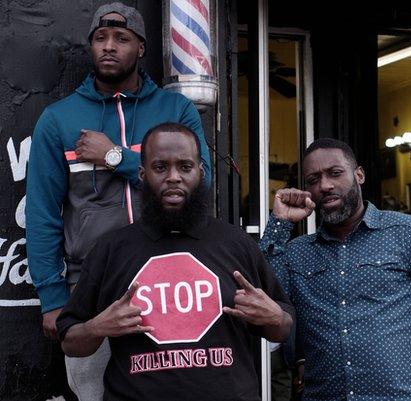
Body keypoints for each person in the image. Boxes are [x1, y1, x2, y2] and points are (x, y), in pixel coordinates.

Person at [25, 3, 212, 399]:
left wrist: (116, 157)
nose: (109, 47)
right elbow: (42, 215)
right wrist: (52, 298)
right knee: (93, 393)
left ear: (141, 48)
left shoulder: (174, 110)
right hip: (91, 285)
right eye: (100, 38)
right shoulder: (59, 119)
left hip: (169, 279)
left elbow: (202, 182)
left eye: (121, 38)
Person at [56, 122, 293, 400]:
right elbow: (70, 342)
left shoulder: (236, 243)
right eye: (160, 168)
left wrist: (275, 317)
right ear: (142, 174)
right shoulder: (111, 249)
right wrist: (97, 327)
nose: (173, 177)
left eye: (184, 167)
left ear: (200, 173)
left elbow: (282, 328)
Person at [259, 138, 411, 400]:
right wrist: (279, 223)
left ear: (359, 175)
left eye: (335, 173)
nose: (325, 186)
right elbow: (264, 300)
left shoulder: (408, 233)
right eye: (313, 180)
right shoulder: (297, 253)